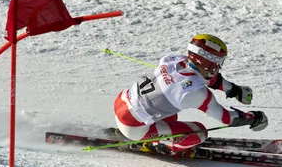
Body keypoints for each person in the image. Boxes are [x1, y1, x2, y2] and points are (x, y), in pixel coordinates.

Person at [112, 34, 268, 155]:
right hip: (133, 127)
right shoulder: (196, 93)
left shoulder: (172, 60)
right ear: (210, 62)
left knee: (171, 115)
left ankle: (159, 136)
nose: (219, 67)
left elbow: (204, 77)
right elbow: (226, 118)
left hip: (122, 102)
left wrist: (235, 90)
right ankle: (167, 147)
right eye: (219, 62)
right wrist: (253, 118)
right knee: (199, 132)